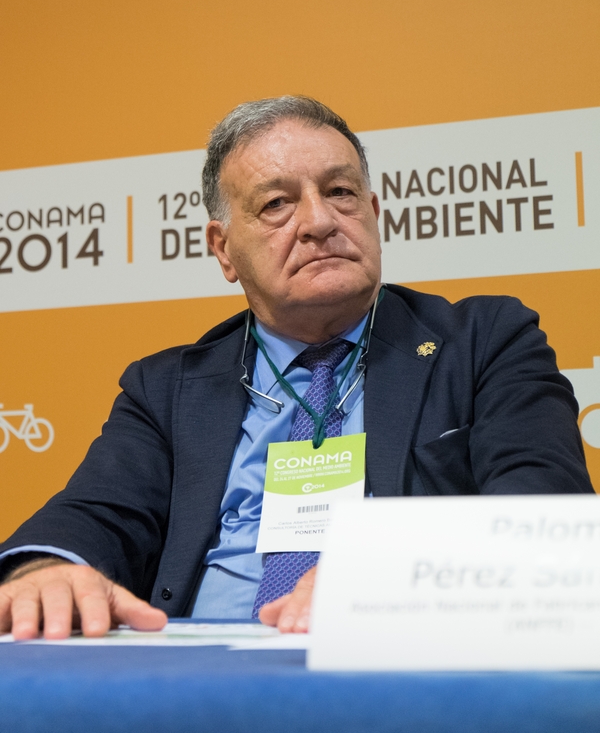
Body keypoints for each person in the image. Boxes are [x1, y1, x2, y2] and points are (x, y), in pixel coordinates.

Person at [0, 96, 593, 641]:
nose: (319, 221)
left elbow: (544, 508)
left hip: (399, 656)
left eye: (340, 191)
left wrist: (389, 569)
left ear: (373, 213)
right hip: (200, 672)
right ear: (223, 249)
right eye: (276, 204)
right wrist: (47, 568)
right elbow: (97, 514)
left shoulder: (484, 342)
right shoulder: (166, 389)